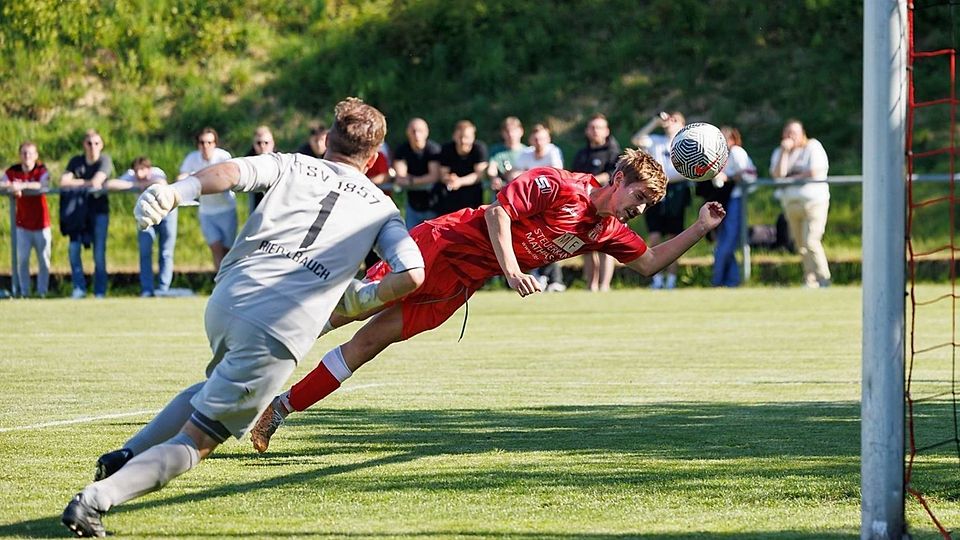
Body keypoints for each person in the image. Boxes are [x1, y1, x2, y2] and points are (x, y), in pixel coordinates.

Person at [60, 97, 425, 538]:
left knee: (213, 386)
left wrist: (176, 192)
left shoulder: (292, 163)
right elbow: (412, 272)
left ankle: (126, 455)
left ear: (328, 140)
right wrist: (359, 299)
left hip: (229, 296)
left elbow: (231, 173)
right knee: (198, 442)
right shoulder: (381, 207)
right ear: (374, 158)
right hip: (279, 325)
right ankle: (94, 501)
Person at [249, 150, 727, 454]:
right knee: (345, 313)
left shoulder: (607, 230)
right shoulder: (559, 184)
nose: (640, 210)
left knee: (368, 344)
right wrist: (514, 269)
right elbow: (499, 212)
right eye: (638, 197)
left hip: (460, 283)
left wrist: (701, 228)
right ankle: (245, 373)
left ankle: (280, 408)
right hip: (438, 248)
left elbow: (648, 264)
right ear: (618, 179)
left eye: (646, 204)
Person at [632, 111, 690, 289]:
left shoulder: (686, 144)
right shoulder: (656, 141)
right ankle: (656, 279)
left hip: (676, 191)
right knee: (655, 236)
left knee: (674, 238)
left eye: (675, 120)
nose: (670, 122)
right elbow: (636, 139)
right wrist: (655, 121)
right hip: (656, 191)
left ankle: (671, 280)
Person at [770, 119, 831, 288]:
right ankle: (810, 280)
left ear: (802, 133)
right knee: (800, 245)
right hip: (791, 205)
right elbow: (778, 175)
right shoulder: (780, 152)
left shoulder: (813, 147)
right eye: (788, 133)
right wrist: (784, 152)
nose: (791, 136)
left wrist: (792, 179)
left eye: (794, 133)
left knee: (811, 241)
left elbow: (814, 171)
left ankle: (824, 278)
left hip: (814, 203)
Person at [59, 130, 114, 299]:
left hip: (99, 213)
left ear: (102, 145)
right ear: (84, 145)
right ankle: (79, 288)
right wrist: (86, 184)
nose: (93, 147)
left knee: (98, 253)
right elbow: (63, 182)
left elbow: (97, 181)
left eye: (96, 143)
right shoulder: (76, 161)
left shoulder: (105, 160)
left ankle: (99, 291)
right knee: (74, 250)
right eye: (89, 143)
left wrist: (76, 183)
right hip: (77, 214)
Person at [113, 157, 178, 297]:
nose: (139, 173)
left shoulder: (156, 172)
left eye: (142, 170)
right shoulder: (132, 177)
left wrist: (145, 184)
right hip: (146, 216)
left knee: (166, 252)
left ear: (149, 169)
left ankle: (163, 288)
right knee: (145, 251)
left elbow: (161, 182)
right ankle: (147, 289)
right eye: (136, 170)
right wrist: (134, 185)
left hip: (167, 214)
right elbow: (111, 184)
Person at [512, 123, 566, 292]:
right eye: (535, 138)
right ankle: (539, 276)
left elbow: (555, 176)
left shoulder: (553, 152)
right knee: (533, 240)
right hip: (530, 205)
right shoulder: (526, 154)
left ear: (548, 139)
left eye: (542, 138)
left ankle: (555, 279)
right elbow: (515, 175)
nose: (539, 142)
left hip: (550, 204)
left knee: (552, 239)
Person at [572, 114, 621, 292]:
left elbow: (612, 176)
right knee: (586, 246)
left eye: (599, 127)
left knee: (605, 246)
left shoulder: (614, 153)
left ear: (607, 131)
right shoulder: (581, 155)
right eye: (592, 127)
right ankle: (591, 285)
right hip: (584, 206)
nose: (595, 131)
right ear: (587, 131)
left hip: (607, 206)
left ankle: (604, 285)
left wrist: (590, 180)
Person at [0, 141, 51, 297]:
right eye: (24, 153)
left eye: (30, 153)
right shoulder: (13, 171)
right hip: (22, 225)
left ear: (36, 155)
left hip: (42, 224)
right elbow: (2, 183)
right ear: (19, 155)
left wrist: (21, 186)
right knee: (22, 261)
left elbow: (42, 185)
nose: (27, 156)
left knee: (44, 260)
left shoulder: (41, 170)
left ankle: (42, 292)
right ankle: (24, 292)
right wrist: (11, 187)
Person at [707, 126, 757, 287]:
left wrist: (726, 178)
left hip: (736, 199)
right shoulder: (722, 155)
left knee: (727, 241)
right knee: (723, 240)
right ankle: (731, 280)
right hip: (727, 199)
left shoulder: (736, 151)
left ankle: (718, 280)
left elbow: (746, 175)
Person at [179, 127, 234, 272]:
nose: (205, 146)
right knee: (215, 248)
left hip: (226, 209)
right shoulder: (192, 158)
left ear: (215, 143)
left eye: (209, 142)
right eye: (202, 143)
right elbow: (182, 176)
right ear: (198, 144)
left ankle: (227, 282)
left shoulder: (224, 157)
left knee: (227, 251)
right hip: (206, 211)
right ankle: (219, 282)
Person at [393, 117, 442, 229]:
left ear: (426, 132)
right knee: (412, 240)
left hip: (435, 205)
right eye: (413, 131)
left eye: (420, 131)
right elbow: (401, 177)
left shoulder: (433, 150)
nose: (416, 134)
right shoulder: (402, 149)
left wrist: (411, 180)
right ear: (407, 132)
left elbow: (434, 176)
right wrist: (419, 179)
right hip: (412, 206)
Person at [437, 120, 488, 215]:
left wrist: (460, 181)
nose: (463, 141)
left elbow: (479, 175)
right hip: (451, 198)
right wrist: (450, 178)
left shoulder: (479, 148)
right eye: (460, 137)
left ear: (473, 137)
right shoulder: (447, 149)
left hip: (473, 196)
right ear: (454, 136)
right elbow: (443, 173)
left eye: (467, 137)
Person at [486, 116, 527, 193]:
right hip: (503, 190)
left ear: (521, 131)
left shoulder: (528, 152)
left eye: (514, 130)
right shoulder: (496, 151)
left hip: (523, 190)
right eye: (507, 131)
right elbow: (492, 169)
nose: (511, 134)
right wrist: (494, 178)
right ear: (503, 133)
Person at [247, 125, 276, 213]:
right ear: (254, 144)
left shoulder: (280, 159)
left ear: (272, 143)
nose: (262, 146)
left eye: (266, 142)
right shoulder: (248, 160)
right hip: (256, 203)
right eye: (259, 143)